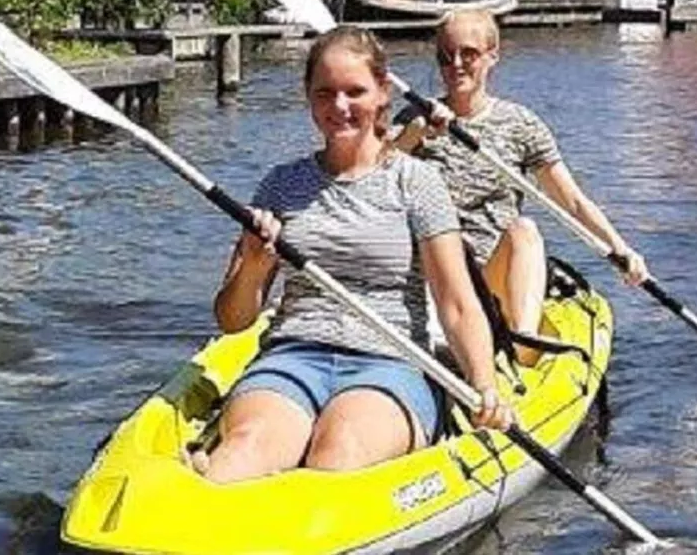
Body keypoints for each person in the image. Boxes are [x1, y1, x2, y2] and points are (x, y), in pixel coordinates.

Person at [196, 26, 513, 484]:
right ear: (308, 96)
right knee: (243, 452)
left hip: (389, 363)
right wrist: (254, 266)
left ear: (383, 94)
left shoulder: (416, 183)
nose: (339, 106)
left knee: (337, 453)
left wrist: (484, 385)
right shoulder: (279, 185)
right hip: (292, 356)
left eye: (355, 91)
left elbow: (456, 303)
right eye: (325, 93)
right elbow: (232, 320)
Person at [393, 9, 650, 360]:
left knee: (525, 230)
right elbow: (374, 177)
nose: (455, 64)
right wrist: (414, 135)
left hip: (490, 273)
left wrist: (622, 250)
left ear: (492, 56)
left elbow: (571, 200)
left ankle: (523, 338)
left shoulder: (520, 125)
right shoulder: (413, 120)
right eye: (445, 55)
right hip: (435, 272)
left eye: (468, 54)